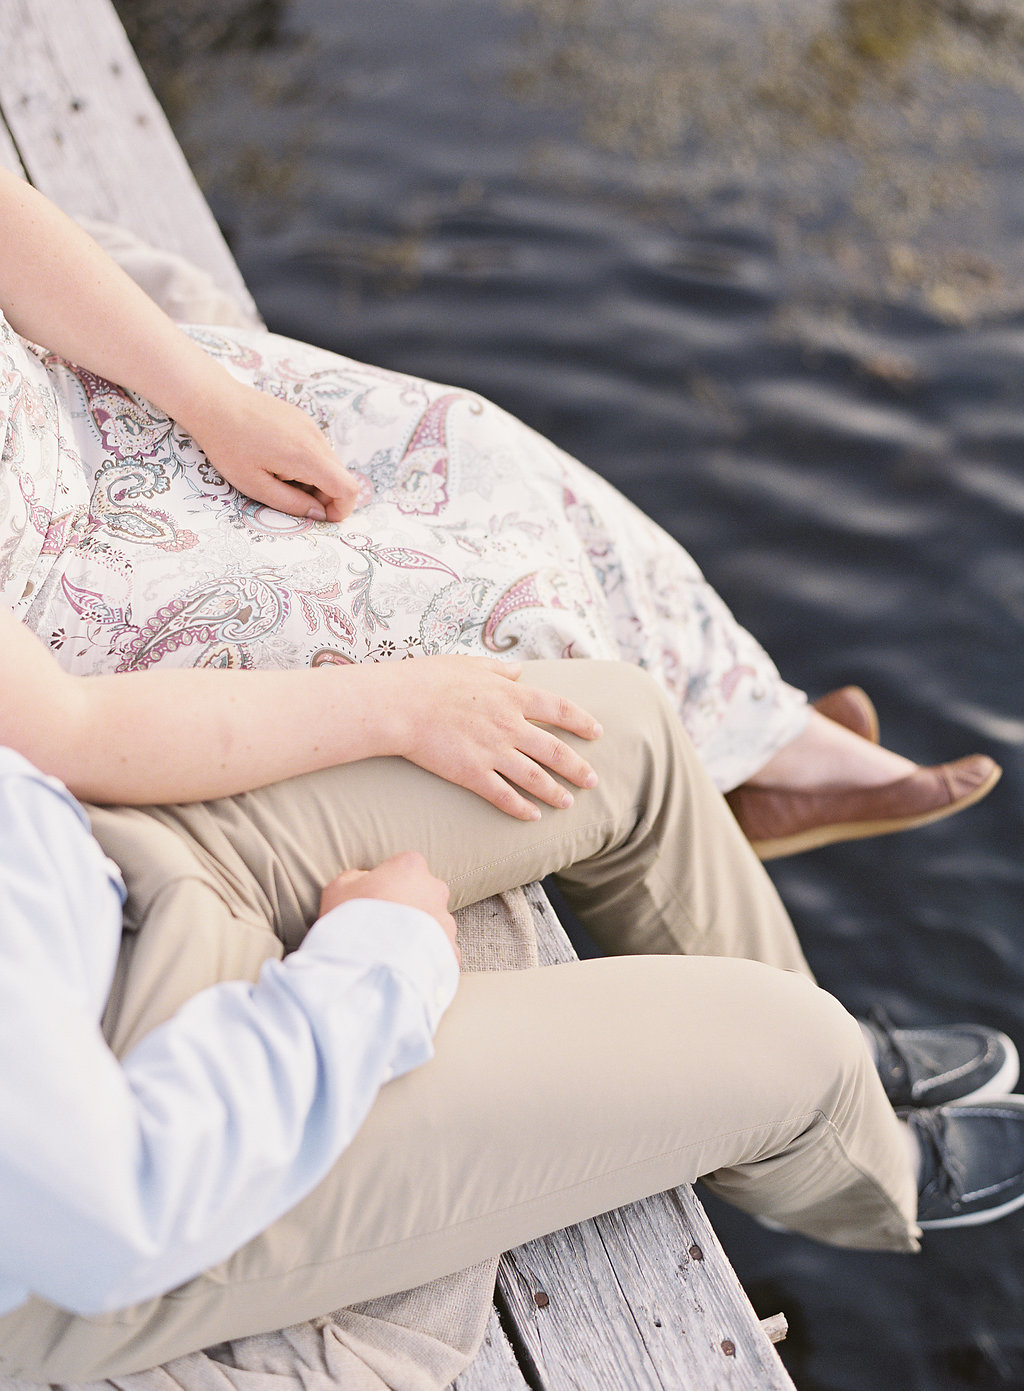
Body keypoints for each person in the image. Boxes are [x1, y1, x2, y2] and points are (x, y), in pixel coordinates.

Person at [0, 656, 1022, 1383]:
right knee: (798, 1046)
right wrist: (376, 960)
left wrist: (394, 702)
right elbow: (106, 1213)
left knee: (608, 730)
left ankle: (816, 1100)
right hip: (132, 1170)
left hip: (95, 877)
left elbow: (52, 721)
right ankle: (863, 1160)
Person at [0, 168, 1000, 857]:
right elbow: (62, 733)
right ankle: (728, 776)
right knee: (494, 603)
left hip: (73, 408)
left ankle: (753, 729)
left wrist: (210, 401)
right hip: (64, 606)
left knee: (461, 443)